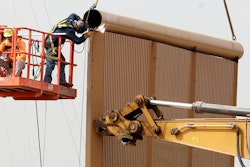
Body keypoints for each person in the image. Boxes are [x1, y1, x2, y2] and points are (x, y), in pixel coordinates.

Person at [44, 13, 96, 87]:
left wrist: (80, 19)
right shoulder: (69, 31)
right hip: (51, 45)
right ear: (77, 29)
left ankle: (62, 81)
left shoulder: (70, 20)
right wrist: (86, 35)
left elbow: (73, 14)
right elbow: (77, 40)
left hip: (53, 44)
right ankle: (46, 82)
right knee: (50, 64)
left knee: (62, 61)